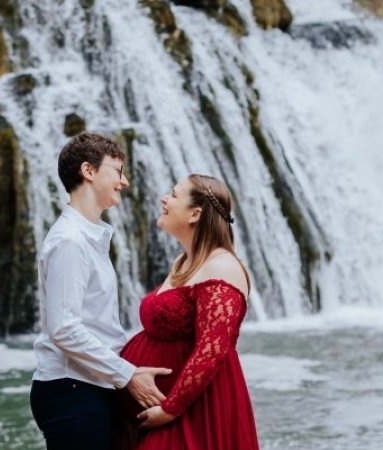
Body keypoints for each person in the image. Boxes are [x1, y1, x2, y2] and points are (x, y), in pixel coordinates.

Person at [30, 132, 172, 450]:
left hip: (87, 387)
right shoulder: (70, 241)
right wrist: (127, 374)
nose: (124, 182)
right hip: (72, 390)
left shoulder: (88, 238)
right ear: (89, 171)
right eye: (118, 171)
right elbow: (64, 329)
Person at [115, 174, 259, 450]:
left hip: (195, 411)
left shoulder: (222, 267)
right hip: (163, 412)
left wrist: (171, 408)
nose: (163, 198)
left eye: (174, 194)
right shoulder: (183, 262)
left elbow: (211, 349)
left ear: (195, 213)